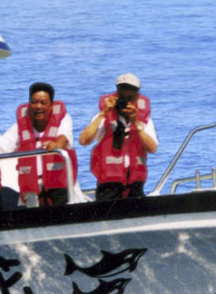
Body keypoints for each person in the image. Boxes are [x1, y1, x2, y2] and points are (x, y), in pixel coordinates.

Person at [79, 72, 156, 203]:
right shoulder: (105, 117)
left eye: (130, 98)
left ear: (137, 98)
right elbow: (84, 140)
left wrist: (135, 122)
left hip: (135, 186)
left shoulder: (144, 120)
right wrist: (103, 113)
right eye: (122, 97)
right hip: (108, 187)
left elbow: (152, 148)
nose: (126, 102)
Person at [12, 82, 75, 208]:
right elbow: (1, 146)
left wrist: (55, 145)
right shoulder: (20, 125)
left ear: (51, 105)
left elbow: (64, 137)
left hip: (59, 188)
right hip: (32, 190)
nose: (38, 106)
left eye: (43, 103)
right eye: (34, 102)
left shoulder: (63, 119)